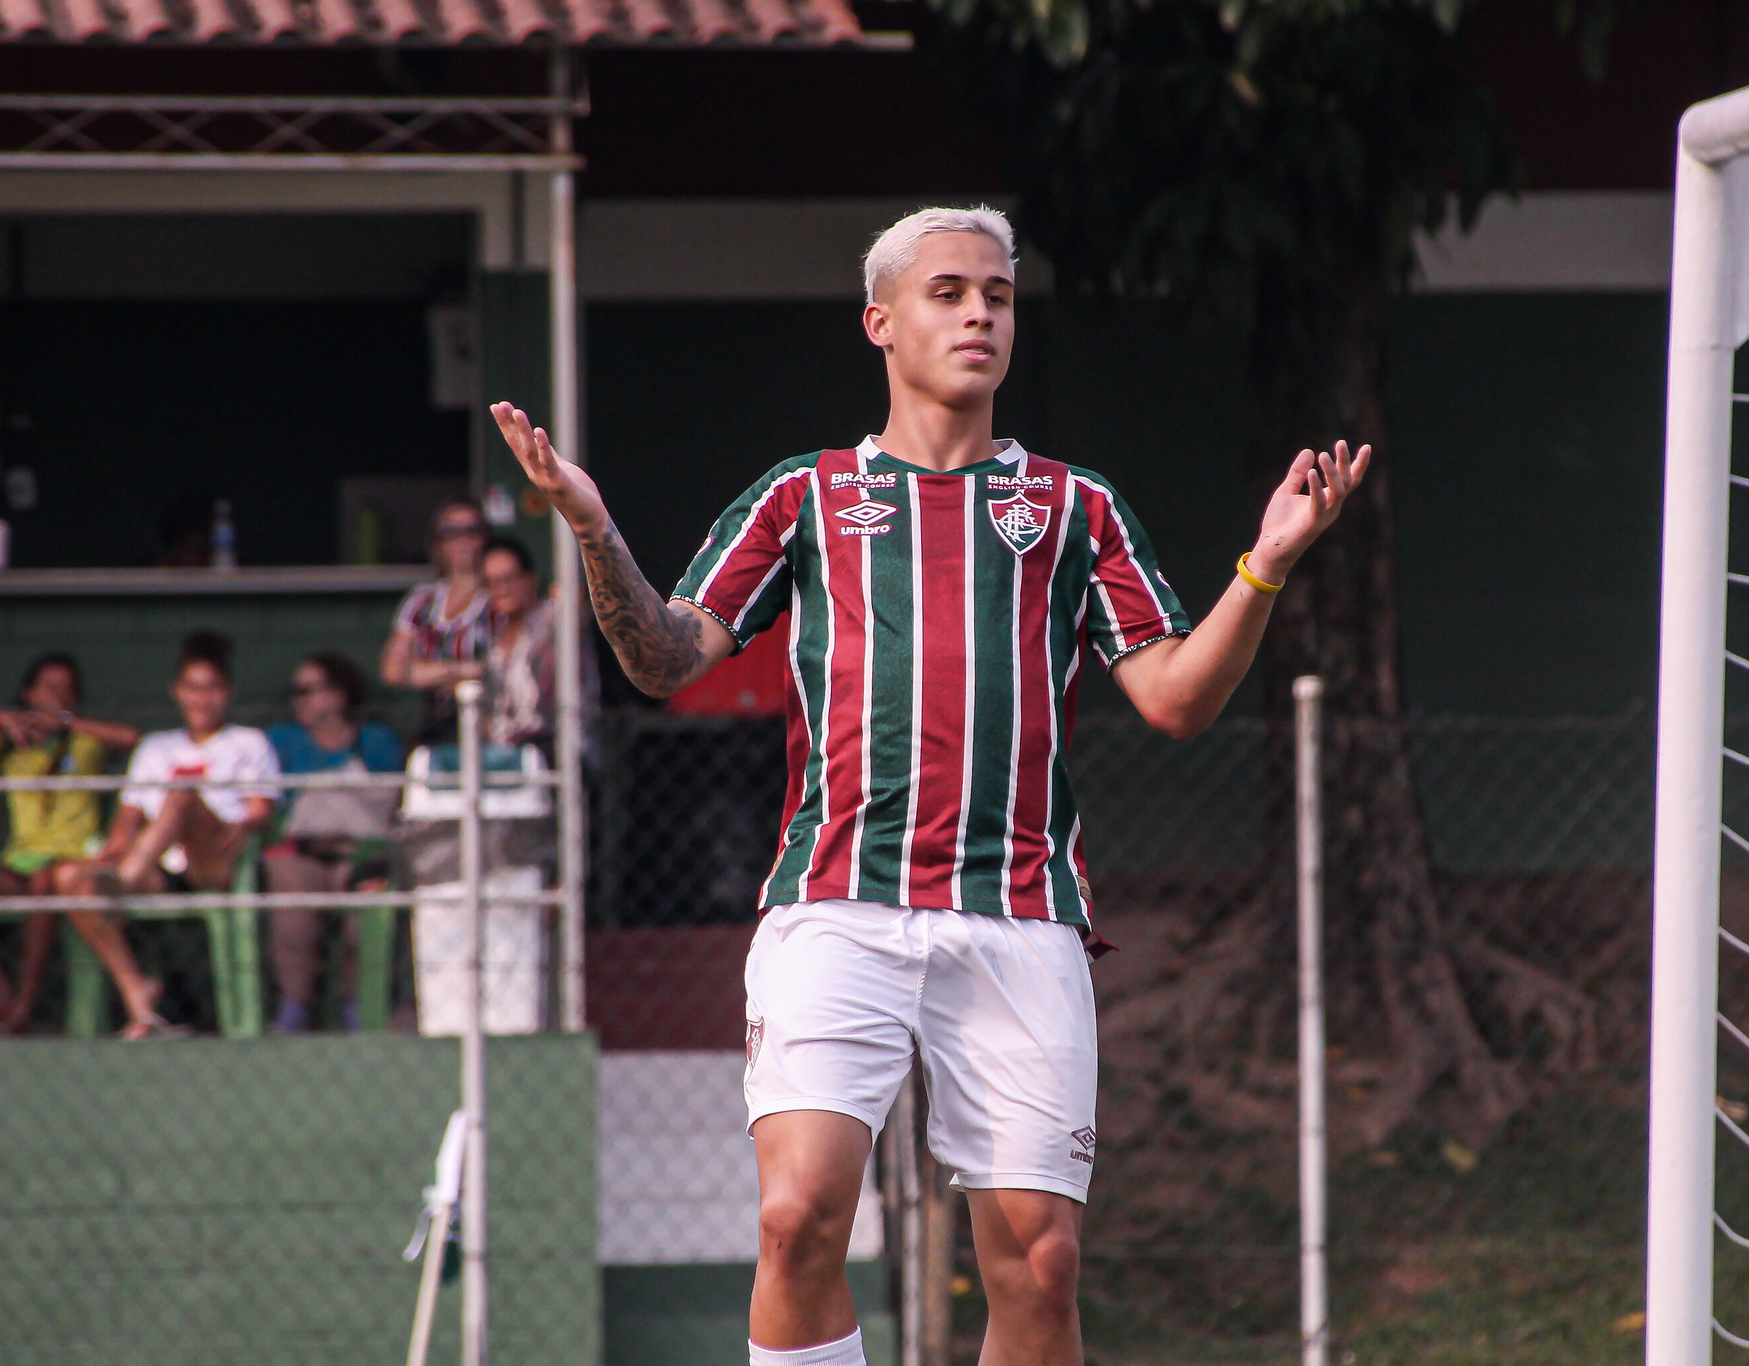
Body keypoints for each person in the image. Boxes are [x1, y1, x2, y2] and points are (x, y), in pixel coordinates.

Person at [492, 204, 1369, 1366]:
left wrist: (1263, 565)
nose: (978, 314)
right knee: (797, 1218)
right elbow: (661, 659)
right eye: (948, 292)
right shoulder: (803, 495)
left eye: (997, 296)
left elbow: (1174, 700)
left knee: (1042, 1265)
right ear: (881, 321)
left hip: (1016, 913)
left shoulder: (1072, 505)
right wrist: (590, 524)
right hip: (836, 902)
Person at [53, 631, 280, 1039]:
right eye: (193, 688)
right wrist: (102, 859)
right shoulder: (155, 747)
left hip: (214, 861)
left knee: (181, 797)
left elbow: (260, 812)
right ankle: (138, 995)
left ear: (227, 693)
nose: (202, 699)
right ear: (177, 692)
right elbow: (125, 825)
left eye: (212, 689)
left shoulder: (249, 741)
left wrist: (245, 825)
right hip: (158, 865)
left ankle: (126, 880)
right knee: (68, 878)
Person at [0, 653, 139, 1034]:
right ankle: (1, 990)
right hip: (20, 862)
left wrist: (66, 723)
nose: (58, 695)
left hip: (71, 865)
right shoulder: (7, 741)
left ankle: (24, 1006)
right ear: (28, 692)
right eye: (49, 686)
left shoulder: (85, 739)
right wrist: (2, 719)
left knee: (44, 881)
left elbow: (129, 738)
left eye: (67, 688)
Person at [263, 653, 403, 1034]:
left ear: (340, 694)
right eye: (296, 692)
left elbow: (390, 804)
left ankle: (359, 1005)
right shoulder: (283, 740)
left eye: (310, 690)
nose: (301, 700)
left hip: (360, 853)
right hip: (304, 852)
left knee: (370, 893)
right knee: (290, 886)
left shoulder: (376, 740)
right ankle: (294, 1006)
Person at [381, 497, 492, 744]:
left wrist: (425, 671)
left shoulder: (497, 598)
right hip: (431, 724)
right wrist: (461, 670)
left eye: (472, 531)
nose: (463, 540)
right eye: (451, 532)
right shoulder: (422, 601)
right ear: (439, 543)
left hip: (488, 725)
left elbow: (497, 668)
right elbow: (393, 671)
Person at [479, 535, 597, 752]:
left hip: (558, 749)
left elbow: (577, 611)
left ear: (530, 579)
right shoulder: (493, 641)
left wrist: (571, 596)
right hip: (505, 754)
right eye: (492, 583)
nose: (502, 590)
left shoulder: (550, 618)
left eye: (508, 579)